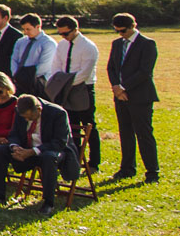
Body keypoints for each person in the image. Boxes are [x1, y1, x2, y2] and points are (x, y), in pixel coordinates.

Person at [0, 94, 77, 215]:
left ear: (39, 110)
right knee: (0, 151)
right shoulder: (20, 110)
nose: (27, 120)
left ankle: (48, 203)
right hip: (26, 148)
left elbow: (59, 142)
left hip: (50, 150)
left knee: (49, 158)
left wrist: (32, 152)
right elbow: (14, 133)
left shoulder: (58, 113)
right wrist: (15, 147)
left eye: (29, 117)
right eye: (24, 117)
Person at [107, 12, 158, 182]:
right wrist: (116, 87)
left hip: (140, 96)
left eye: (122, 31)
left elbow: (145, 71)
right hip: (120, 97)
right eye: (117, 31)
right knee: (125, 133)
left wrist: (123, 87)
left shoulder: (147, 44)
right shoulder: (117, 44)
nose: (120, 34)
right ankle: (127, 168)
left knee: (144, 134)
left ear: (132, 26)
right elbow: (111, 68)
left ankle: (152, 171)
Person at [48, 16, 100, 174]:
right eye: (61, 34)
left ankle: (94, 162)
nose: (64, 37)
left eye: (66, 33)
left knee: (88, 125)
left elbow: (84, 73)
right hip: (65, 87)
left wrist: (65, 82)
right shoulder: (62, 45)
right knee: (70, 125)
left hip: (82, 88)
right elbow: (56, 65)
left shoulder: (88, 47)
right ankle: (73, 159)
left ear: (75, 29)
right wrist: (60, 82)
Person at [9, 13, 58, 97]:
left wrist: (28, 78)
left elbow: (44, 66)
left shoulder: (48, 43)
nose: (25, 32)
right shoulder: (21, 42)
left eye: (28, 29)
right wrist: (16, 74)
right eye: (24, 29)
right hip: (20, 81)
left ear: (38, 27)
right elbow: (14, 59)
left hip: (38, 82)